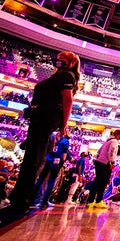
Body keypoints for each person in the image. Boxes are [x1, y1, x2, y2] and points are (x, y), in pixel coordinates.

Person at [4, 51, 80, 214]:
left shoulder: (67, 76)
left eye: (63, 59)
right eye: (58, 58)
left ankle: (21, 201)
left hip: (48, 117)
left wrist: (64, 125)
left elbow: (68, 100)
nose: (58, 61)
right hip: (42, 116)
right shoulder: (59, 75)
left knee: (33, 158)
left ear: (71, 63)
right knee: (31, 157)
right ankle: (19, 199)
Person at [86, 129, 120, 209]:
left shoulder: (108, 141)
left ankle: (92, 201)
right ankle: (97, 201)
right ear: (118, 135)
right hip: (105, 163)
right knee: (102, 183)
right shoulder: (114, 141)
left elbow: (99, 151)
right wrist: (112, 162)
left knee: (98, 182)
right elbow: (112, 152)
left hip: (99, 162)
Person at [33, 131, 70, 208]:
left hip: (47, 160)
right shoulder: (65, 141)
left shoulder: (52, 137)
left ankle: (32, 199)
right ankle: (44, 201)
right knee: (51, 182)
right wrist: (62, 163)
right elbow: (64, 155)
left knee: (40, 180)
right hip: (56, 162)